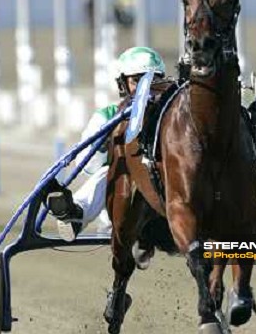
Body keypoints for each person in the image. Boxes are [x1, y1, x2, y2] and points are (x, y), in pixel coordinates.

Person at [47, 47, 166, 256]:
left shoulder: (172, 116)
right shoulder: (108, 116)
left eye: (154, 80)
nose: (147, 88)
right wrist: (103, 145)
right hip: (119, 209)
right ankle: (75, 214)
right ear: (123, 84)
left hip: (167, 210)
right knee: (111, 172)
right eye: (138, 80)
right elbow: (87, 166)